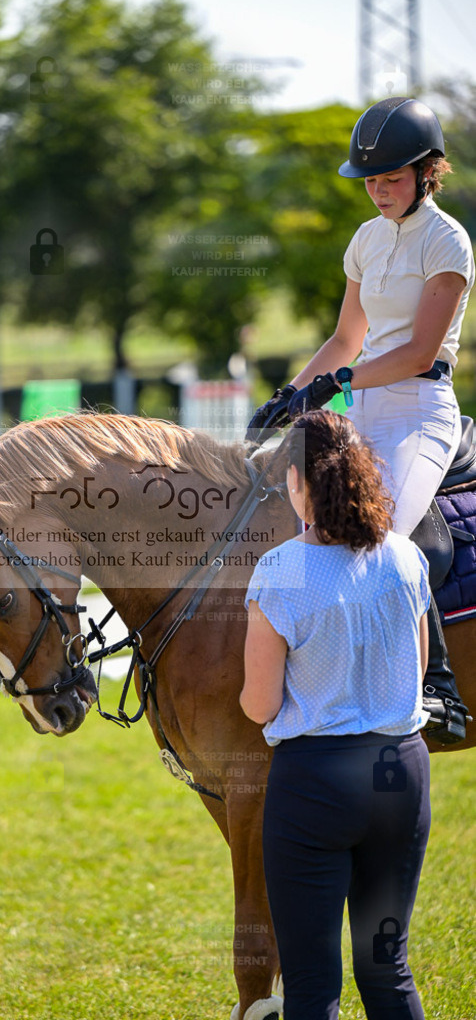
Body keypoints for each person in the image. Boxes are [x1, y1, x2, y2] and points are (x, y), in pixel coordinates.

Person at [248, 95, 475, 744]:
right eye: (371, 180)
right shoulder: (365, 241)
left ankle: (439, 688)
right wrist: (288, 396)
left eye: (392, 178)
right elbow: (347, 339)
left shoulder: (448, 240)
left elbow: (416, 351)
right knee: (301, 529)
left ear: (428, 172)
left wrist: (337, 384)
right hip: (366, 404)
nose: (378, 191)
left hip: (421, 411)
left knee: (383, 541)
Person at [241, 409, 431, 1020]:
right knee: (389, 969)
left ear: (298, 482)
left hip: (315, 784)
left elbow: (260, 703)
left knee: (312, 984)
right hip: (401, 773)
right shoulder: (406, 558)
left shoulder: (278, 571)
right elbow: (418, 670)